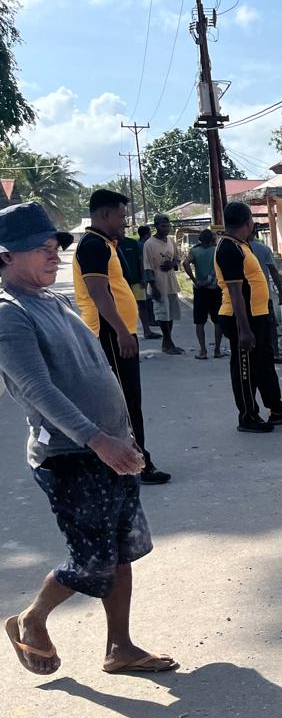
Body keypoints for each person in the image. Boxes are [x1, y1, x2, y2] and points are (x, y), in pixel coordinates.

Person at [0, 202, 177, 677]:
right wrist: (99, 440)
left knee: (121, 550)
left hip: (107, 447)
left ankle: (120, 647)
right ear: (5, 256)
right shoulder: (10, 315)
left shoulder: (51, 301)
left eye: (55, 245)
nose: (54, 254)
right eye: (40, 248)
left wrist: (123, 436)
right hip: (69, 457)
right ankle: (30, 620)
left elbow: (93, 370)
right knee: (94, 560)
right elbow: (39, 390)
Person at [73, 190, 170, 485]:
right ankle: (137, 464)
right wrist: (121, 331)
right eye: (121, 215)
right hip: (108, 335)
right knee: (125, 404)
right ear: (104, 215)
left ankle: (132, 460)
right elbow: (99, 294)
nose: (125, 222)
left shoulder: (104, 244)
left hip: (116, 333)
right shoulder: (93, 246)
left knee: (128, 402)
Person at [215, 202, 282, 433]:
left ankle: (277, 409)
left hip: (258, 315)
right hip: (241, 318)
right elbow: (235, 292)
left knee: (264, 364)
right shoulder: (228, 248)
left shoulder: (242, 246)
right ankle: (248, 416)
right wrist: (243, 329)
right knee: (245, 369)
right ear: (247, 222)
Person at [142, 213, 184, 355]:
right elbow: (147, 267)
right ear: (156, 226)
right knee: (162, 314)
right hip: (158, 284)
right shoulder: (149, 244)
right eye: (163, 226)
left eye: (168, 226)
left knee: (170, 314)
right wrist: (153, 287)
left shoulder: (171, 241)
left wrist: (172, 264)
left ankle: (168, 341)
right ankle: (167, 342)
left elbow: (178, 259)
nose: (166, 229)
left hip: (171, 282)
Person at [182, 228, 224, 359]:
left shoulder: (195, 251)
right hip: (216, 289)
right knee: (218, 321)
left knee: (200, 322)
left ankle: (203, 351)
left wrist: (195, 280)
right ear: (212, 239)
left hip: (200, 289)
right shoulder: (216, 250)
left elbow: (185, 263)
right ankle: (217, 350)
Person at [249, 226, 282, 363]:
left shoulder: (237, 248)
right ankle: (275, 353)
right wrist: (280, 292)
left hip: (245, 296)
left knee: (248, 325)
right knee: (270, 325)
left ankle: (252, 353)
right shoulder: (263, 249)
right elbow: (274, 272)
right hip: (263, 296)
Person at [117, 226, 158, 340]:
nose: (121, 231)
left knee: (142, 305)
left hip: (136, 281)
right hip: (121, 284)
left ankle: (147, 330)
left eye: (122, 230)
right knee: (123, 308)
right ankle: (126, 332)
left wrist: (143, 277)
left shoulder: (132, 243)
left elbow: (140, 261)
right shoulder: (112, 245)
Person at [135, 224, 161, 339]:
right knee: (146, 301)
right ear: (146, 234)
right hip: (145, 275)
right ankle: (151, 320)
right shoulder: (144, 245)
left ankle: (151, 320)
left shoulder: (138, 244)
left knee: (147, 300)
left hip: (144, 275)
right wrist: (143, 277)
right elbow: (142, 262)